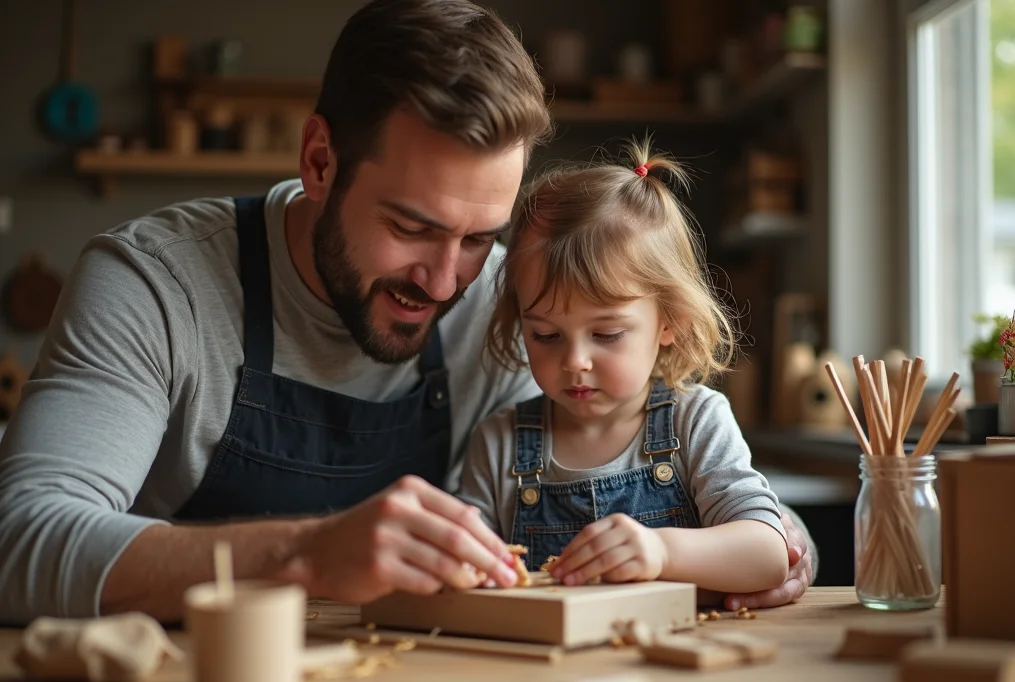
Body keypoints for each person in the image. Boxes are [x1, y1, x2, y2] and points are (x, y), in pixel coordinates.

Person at [0, 0, 814, 626]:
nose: (446, 281)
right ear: (320, 161)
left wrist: (777, 543)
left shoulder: (512, 304)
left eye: (480, 238)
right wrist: (304, 553)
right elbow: (19, 543)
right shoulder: (152, 285)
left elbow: (643, 470)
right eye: (412, 227)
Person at [459, 140, 793, 598]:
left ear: (670, 321)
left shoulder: (696, 422)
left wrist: (662, 553)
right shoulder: (498, 445)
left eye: (607, 334)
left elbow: (768, 556)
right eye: (546, 335)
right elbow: (466, 571)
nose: (575, 361)